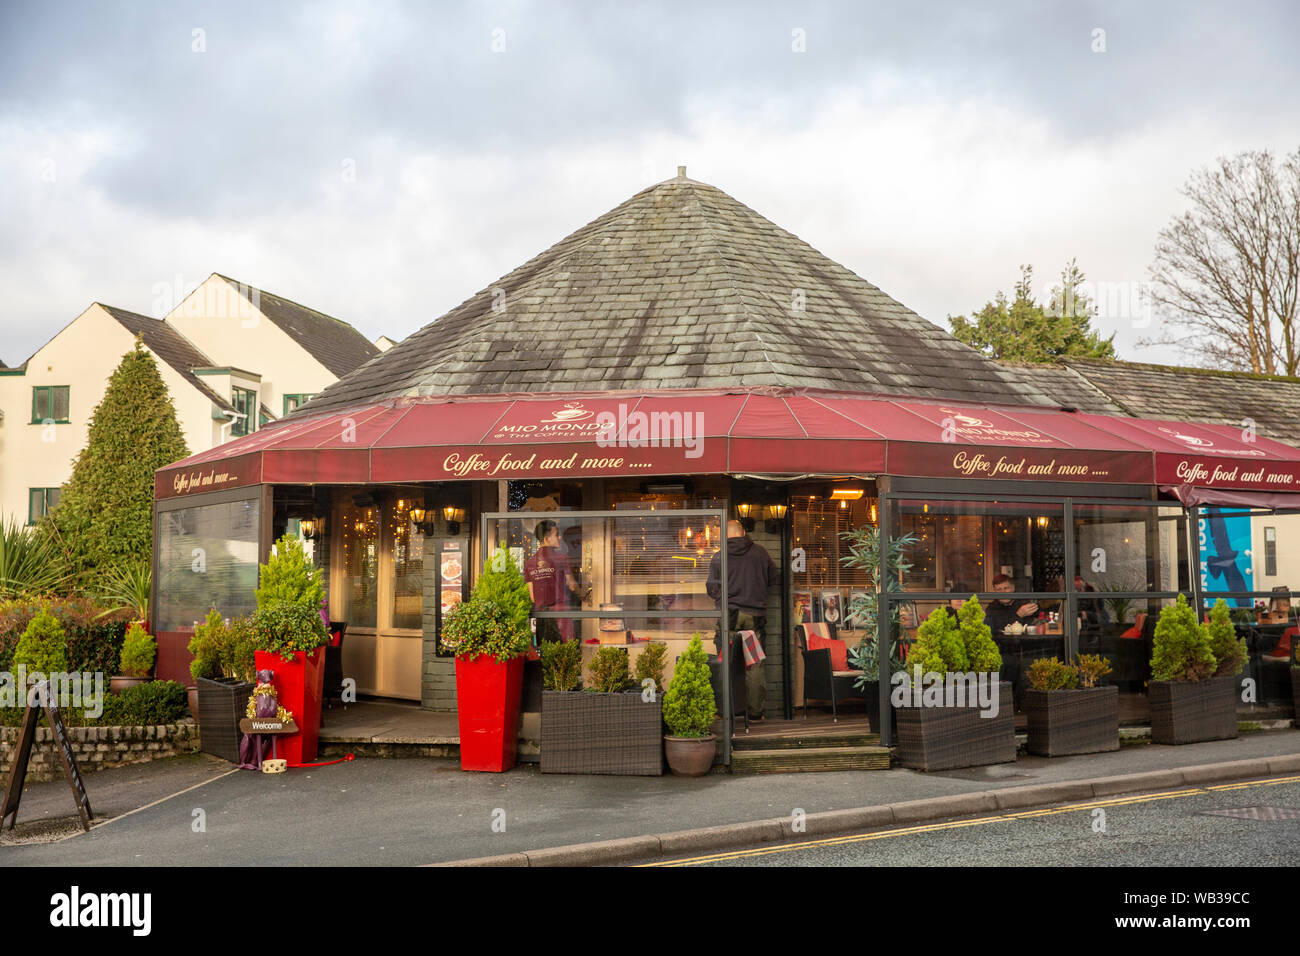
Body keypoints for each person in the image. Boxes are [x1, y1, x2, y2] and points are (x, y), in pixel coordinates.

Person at [706, 520, 775, 718]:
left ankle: (728, 709)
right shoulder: (761, 553)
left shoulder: (719, 557)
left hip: (730, 615)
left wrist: (724, 596)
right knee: (754, 663)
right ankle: (754, 712)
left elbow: (711, 588)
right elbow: (772, 579)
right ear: (743, 532)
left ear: (725, 536)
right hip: (755, 616)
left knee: (725, 661)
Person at [524, 520, 581, 643]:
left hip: (542, 617)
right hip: (561, 615)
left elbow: (533, 597)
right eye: (557, 534)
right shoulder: (561, 558)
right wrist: (583, 593)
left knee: (546, 653)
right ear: (546, 538)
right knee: (565, 653)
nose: (560, 537)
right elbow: (572, 585)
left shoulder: (529, 563)